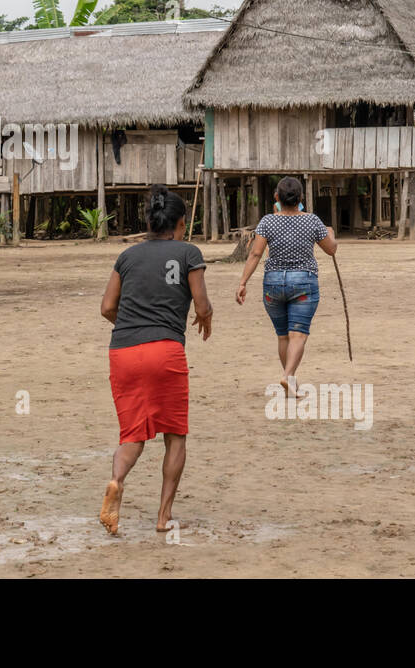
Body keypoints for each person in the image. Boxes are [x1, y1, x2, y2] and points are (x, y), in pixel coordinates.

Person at [98, 184, 212, 536]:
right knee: (175, 435)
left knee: (132, 435)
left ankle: (116, 481)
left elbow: (106, 307)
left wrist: (133, 327)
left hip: (124, 351)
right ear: (179, 223)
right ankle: (163, 518)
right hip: (165, 351)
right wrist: (205, 317)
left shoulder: (127, 256)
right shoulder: (188, 253)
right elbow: (202, 304)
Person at [236, 176, 337, 399]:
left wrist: (243, 282)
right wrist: (330, 233)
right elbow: (331, 250)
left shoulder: (267, 222)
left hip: (273, 284)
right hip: (303, 282)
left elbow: (255, 253)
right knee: (298, 336)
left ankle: (290, 381)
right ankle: (288, 374)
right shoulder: (312, 221)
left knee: (283, 336)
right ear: (301, 198)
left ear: (277, 198)